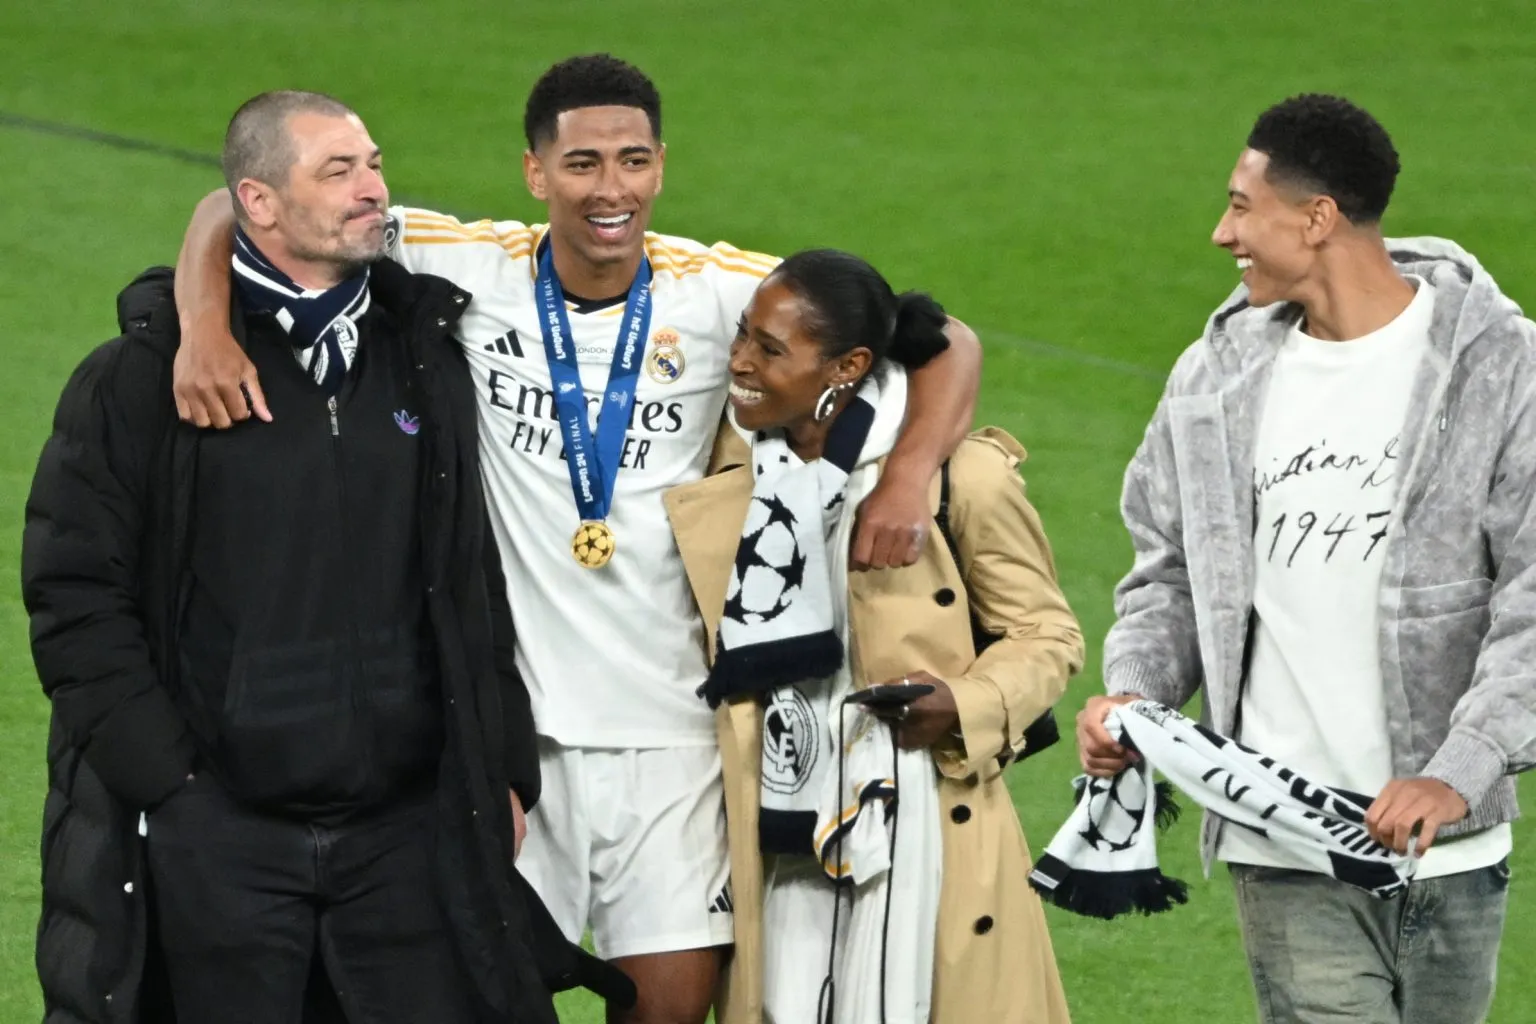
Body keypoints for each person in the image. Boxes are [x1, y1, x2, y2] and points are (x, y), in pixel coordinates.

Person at [168, 55, 982, 1023]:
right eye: (584, 163)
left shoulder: (720, 289)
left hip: (676, 740)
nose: (613, 189)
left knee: (670, 1010)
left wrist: (907, 474)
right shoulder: (461, 260)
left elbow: (946, 339)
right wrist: (201, 328)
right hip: (514, 745)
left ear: (661, 166)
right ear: (535, 172)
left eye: (634, 162)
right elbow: (228, 209)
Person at [21, 90, 564, 1024]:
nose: (374, 191)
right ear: (259, 204)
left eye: (375, 165)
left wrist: (499, 766)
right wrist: (173, 789)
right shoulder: (145, 378)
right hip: (221, 836)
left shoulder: (425, 359)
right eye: (339, 171)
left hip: (403, 835)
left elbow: (467, 577)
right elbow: (74, 597)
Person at [1078, 94, 1533, 1024]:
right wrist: (1138, 693)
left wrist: (1460, 767)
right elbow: (1167, 568)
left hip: (1454, 849)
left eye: (1243, 206)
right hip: (1287, 843)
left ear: (1318, 217)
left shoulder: (1502, 368)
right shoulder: (1214, 379)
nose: (1221, 233)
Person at [664, 248, 1081, 1023]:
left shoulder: (962, 478)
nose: (741, 363)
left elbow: (1047, 634)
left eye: (770, 349)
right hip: (778, 819)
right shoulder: (729, 458)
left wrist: (961, 702)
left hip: (925, 820)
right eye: (744, 336)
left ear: (849, 365)